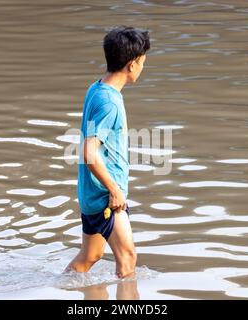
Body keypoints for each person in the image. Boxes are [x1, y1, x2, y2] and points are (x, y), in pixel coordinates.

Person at [64, 26, 150, 278]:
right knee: (127, 257)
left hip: (91, 193)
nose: (143, 67)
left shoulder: (97, 89)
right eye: (143, 61)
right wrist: (114, 190)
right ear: (132, 64)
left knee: (90, 256)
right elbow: (89, 153)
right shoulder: (110, 102)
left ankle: (53, 290)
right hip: (105, 197)